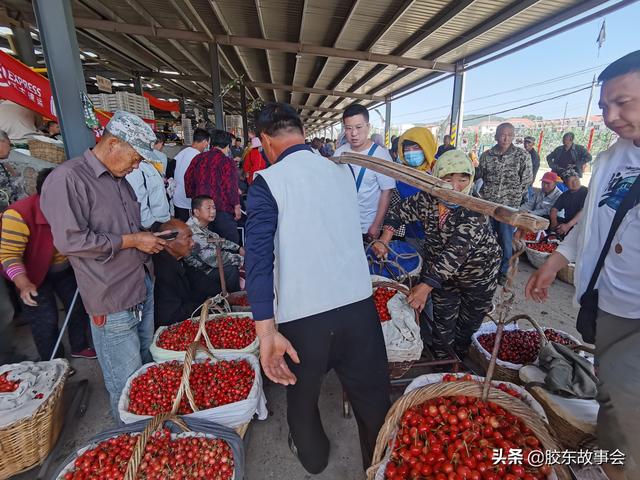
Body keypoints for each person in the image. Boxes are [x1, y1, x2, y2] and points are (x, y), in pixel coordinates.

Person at [245, 103, 390, 474]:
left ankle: (314, 458)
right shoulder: (342, 172)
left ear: (264, 141)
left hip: (304, 318)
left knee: (303, 398)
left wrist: (266, 333)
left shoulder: (268, 182)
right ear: (301, 132)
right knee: (373, 402)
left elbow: (258, 262)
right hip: (359, 308)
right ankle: (380, 467)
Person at [526, 51, 640, 480]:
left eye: (623, 103)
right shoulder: (614, 160)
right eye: (604, 106)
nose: (611, 116)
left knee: (631, 404)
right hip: (609, 304)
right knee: (610, 395)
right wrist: (554, 262)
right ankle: (615, 467)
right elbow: (593, 224)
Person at [40, 110, 168, 418]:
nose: (137, 165)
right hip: (112, 297)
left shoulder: (120, 179)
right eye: (136, 158)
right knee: (125, 382)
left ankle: (148, 433)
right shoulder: (68, 179)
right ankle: (129, 439)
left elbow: (128, 227)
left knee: (143, 368)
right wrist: (132, 241)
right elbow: (71, 242)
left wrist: (148, 239)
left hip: (140, 284)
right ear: (112, 143)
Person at [373, 150, 501, 358]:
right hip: (442, 278)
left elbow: (455, 253)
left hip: (477, 276)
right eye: (447, 179)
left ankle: (458, 362)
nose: (455, 186)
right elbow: (398, 211)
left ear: (471, 179)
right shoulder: (428, 198)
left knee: (467, 328)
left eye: (462, 179)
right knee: (443, 326)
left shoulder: (476, 209)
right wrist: (385, 239)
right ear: (437, 178)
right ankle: (443, 364)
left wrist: (425, 287)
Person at [0, 168, 95, 361]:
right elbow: (9, 255)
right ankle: (54, 363)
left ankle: (79, 346)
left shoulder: (73, 208)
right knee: (45, 319)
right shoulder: (18, 214)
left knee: (78, 306)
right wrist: (24, 284)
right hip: (31, 275)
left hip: (64, 268)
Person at [477, 122, 532, 284]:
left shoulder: (522, 156)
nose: (505, 137)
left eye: (509, 134)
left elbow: (527, 180)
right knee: (485, 239)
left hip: (509, 208)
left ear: (514, 136)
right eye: (502, 134)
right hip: (489, 206)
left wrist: (514, 199)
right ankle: (486, 269)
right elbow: (481, 177)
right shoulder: (487, 156)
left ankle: (503, 273)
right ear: (496, 136)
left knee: (506, 241)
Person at [334, 104, 395, 240]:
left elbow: (387, 192)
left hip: (366, 226)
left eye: (358, 127)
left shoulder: (381, 156)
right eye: (348, 128)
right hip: (342, 223)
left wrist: (376, 225)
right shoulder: (340, 152)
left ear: (368, 126)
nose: (353, 133)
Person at [184, 129, 241, 244]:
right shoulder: (227, 162)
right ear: (227, 146)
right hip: (222, 209)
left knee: (203, 243)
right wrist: (236, 206)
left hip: (201, 210)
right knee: (230, 242)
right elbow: (231, 187)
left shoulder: (198, 158)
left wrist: (195, 198)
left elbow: (187, 178)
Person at [152, 218, 210, 327]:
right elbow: (171, 315)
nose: (192, 243)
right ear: (168, 243)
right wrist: (205, 307)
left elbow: (199, 283)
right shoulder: (163, 271)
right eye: (187, 238)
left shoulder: (179, 260)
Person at [184, 195, 243, 295]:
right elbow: (214, 259)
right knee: (231, 270)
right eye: (208, 208)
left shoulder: (202, 226)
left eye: (214, 208)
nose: (213, 211)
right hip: (199, 272)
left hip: (207, 266)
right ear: (196, 212)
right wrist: (242, 260)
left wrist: (238, 248)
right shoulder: (192, 231)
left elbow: (218, 240)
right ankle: (233, 300)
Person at [394, 127, 438, 243]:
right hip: (410, 234)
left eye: (416, 148)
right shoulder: (399, 173)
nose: (411, 153)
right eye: (407, 149)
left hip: (437, 237)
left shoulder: (441, 171)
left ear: (427, 148)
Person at [172, 128, 210, 221]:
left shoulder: (183, 152)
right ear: (205, 141)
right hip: (188, 201)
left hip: (177, 197)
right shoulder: (198, 156)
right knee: (189, 231)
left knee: (181, 229)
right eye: (208, 143)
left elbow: (171, 168)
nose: (207, 145)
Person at [126, 157, 171, 231]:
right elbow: (138, 198)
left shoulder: (147, 163)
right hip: (151, 225)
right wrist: (149, 224)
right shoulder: (135, 168)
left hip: (161, 220)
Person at [549, 170, 588, 237]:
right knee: (546, 218)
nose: (574, 182)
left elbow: (584, 211)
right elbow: (554, 209)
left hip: (583, 224)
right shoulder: (565, 195)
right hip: (568, 221)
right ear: (565, 184)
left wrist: (568, 225)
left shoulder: (587, 192)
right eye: (571, 181)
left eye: (576, 179)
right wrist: (554, 223)